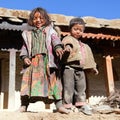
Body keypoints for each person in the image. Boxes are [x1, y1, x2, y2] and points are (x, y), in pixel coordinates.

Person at [19, 7, 69, 114]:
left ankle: (59, 106)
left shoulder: (50, 31)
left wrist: (58, 47)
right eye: (35, 18)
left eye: (41, 18)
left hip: (47, 61)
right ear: (31, 20)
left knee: (53, 82)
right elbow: (25, 48)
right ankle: (23, 106)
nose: (38, 20)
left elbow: (55, 40)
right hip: (32, 63)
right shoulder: (28, 34)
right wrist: (25, 57)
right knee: (26, 83)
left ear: (46, 19)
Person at [61, 17, 99, 115]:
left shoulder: (85, 46)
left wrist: (93, 67)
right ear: (70, 29)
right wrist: (67, 48)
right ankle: (67, 106)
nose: (78, 32)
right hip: (69, 68)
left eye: (80, 30)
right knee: (68, 87)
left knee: (81, 87)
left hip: (80, 69)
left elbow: (89, 58)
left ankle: (81, 105)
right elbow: (67, 43)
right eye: (75, 29)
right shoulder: (68, 38)